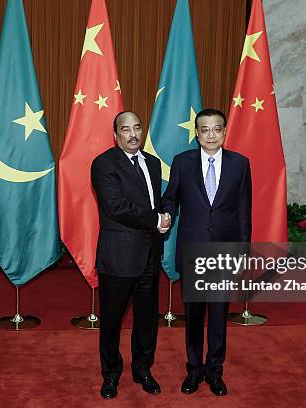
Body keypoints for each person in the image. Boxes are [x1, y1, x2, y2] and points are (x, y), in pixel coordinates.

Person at [162, 108, 252, 396]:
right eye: (205, 130)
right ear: (197, 133)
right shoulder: (182, 162)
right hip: (193, 251)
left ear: (225, 132)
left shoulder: (240, 164)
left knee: (217, 316)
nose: (211, 135)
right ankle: (194, 370)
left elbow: (243, 211)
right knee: (194, 315)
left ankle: (215, 372)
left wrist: (243, 251)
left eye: (216, 129)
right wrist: (165, 217)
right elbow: (170, 199)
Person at [91, 111, 171, 399]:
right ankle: (111, 373)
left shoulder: (152, 162)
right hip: (119, 256)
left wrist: (166, 217)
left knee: (148, 318)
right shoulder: (103, 164)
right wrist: (155, 220)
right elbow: (115, 206)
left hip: (150, 254)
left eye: (137, 127)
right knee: (112, 320)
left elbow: (158, 202)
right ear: (116, 135)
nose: (133, 134)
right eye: (126, 129)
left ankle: (143, 369)